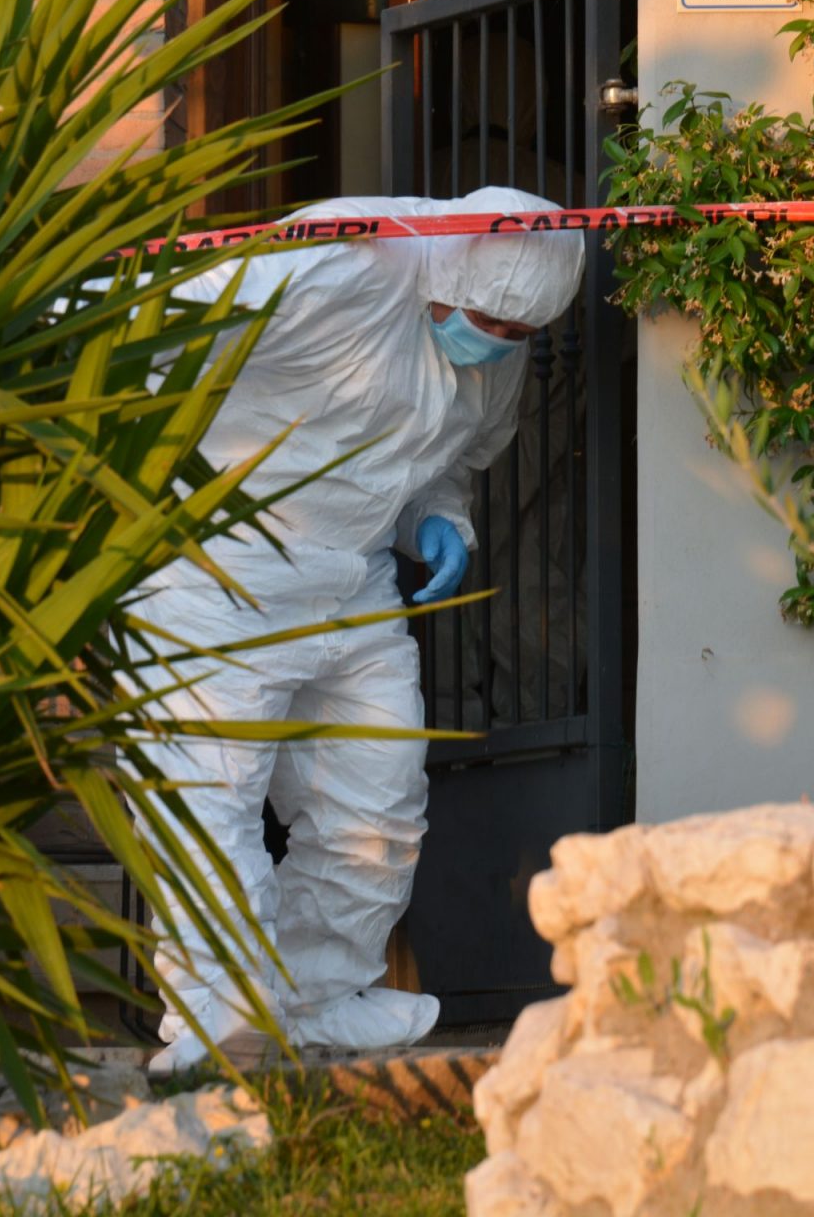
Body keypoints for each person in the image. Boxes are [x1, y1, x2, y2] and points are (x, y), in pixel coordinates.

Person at [134, 186, 585, 1071]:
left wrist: (438, 520)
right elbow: (164, 320)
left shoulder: (497, 350)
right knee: (209, 791)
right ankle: (217, 1011)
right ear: (445, 276)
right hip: (221, 560)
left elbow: (443, 463)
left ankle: (314, 998)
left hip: (357, 574)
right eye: (485, 320)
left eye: (518, 332)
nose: (496, 340)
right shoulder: (340, 261)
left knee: (376, 806)